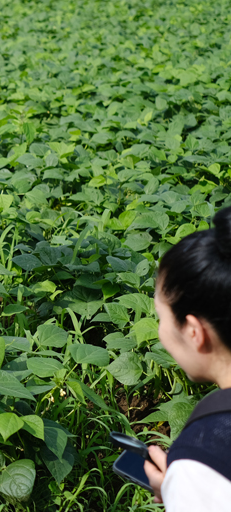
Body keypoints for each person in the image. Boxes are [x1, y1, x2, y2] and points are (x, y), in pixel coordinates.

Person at [144, 206, 231, 509]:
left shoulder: (202, 459)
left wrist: (186, 488)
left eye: (161, 317)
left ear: (194, 331)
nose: (159, 332)